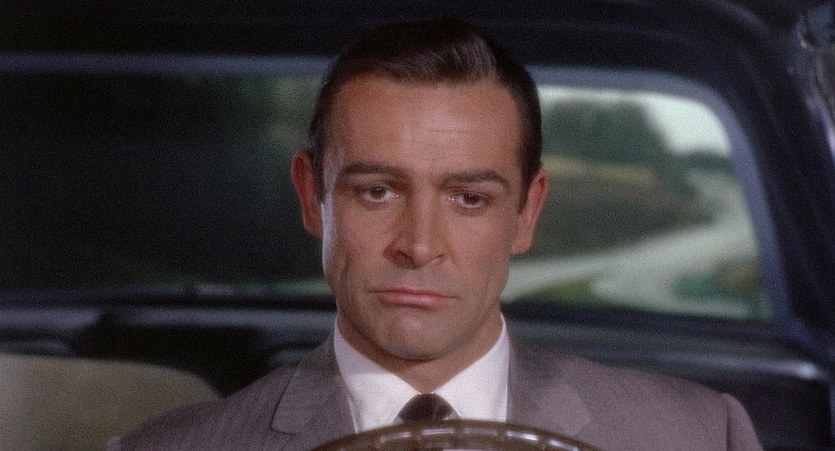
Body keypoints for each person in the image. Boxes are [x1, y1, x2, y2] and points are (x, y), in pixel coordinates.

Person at [111, 19, 763, 450]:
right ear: (312, 196)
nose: (419, 246)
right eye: (376, 191)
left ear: (527, 212)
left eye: (469, 199)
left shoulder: (697, 436)